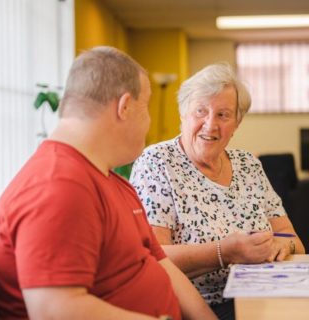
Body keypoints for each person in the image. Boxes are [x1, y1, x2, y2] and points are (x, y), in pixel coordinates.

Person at [0, 47, 217, 320]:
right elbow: (54, 311)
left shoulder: (112, 182)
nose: (148, 123)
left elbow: (161, 263)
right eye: (145, 107)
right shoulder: (58, 186)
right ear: (124, 107)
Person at [130, 62, 305, 320]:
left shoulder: (248, 165)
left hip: (261, 298)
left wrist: (282, 245)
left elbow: (294, 241)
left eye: (223, 115)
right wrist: (225, 252)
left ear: (237, 123)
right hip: (195, 308)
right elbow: (153, 257)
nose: (210, 125)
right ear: (183, 114)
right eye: (201, 111)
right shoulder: (157, 162)